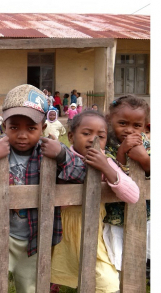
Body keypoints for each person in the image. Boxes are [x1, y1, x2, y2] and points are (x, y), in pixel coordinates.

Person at [0, 84, 86, 293]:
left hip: (35, 238)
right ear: (4, 125)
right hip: (3, 234)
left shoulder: (49, 152)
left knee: (30, 287)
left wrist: (61, 154)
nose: (22, 135)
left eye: (31, 128)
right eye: (14, 127)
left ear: (42, 128)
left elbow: (82, 175)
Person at [50, 110, 139, 293]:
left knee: (107, 283)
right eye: (86, 133)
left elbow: (133, 196)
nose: (93, 139)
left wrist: (107, 168)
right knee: (52, 269)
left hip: (92, 231)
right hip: (58, 230)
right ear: (72, 136)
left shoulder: (107, 162)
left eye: (101, 136)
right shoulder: (59, 158)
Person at [102, 95, 150, 273]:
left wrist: (145, 159)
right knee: (118, 259)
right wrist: (122, 152)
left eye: (136, 126)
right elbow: (114, 176)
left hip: (146, 213)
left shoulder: (147, 144)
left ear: (145, 126)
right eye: (122, 123)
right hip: (115, 215)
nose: (129, 130)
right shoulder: (105, 144)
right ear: (109, 120)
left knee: (144, 251)